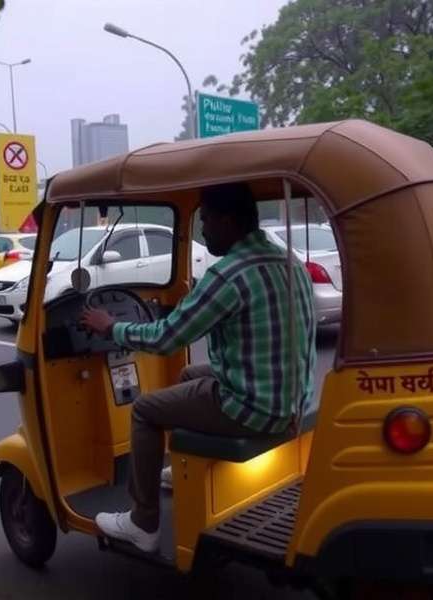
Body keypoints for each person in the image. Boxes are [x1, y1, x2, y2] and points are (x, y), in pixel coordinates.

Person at [80, 182, 317, 553]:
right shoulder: (289, 261)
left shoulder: (228, 276)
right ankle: (182, 470)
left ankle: (142, 522)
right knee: (191, 375)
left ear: (227, 221)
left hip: (253, 409)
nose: (203, 231)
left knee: (144, 410)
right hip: (292, 400)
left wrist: (112, 327)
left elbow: (165, 338)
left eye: (205, 221)